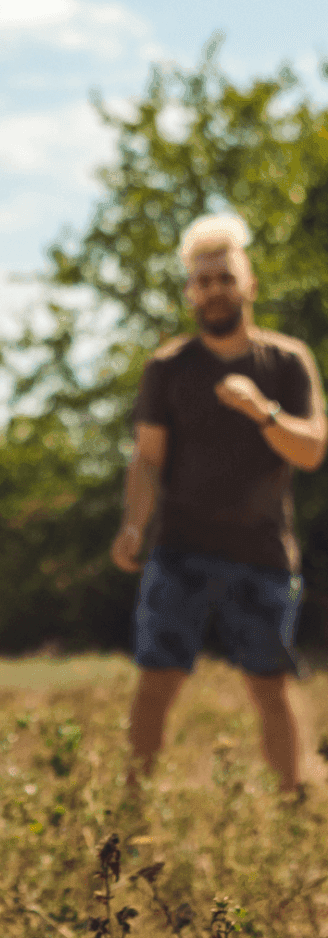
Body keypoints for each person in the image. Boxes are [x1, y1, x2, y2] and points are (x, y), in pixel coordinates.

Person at [111, 212, 327, 797]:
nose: (214, 290)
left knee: (270, 684)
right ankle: (129, 813)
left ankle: (293, 804)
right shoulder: (168, 368)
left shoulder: (286, 363)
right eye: (202, 281)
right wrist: (134, 525)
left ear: (249, 284)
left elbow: (310, 452)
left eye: (224, 278)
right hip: (179, 550)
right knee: (156, 680)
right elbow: (148, 458)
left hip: (261, 551)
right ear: (189, 293)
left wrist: (262, 410)